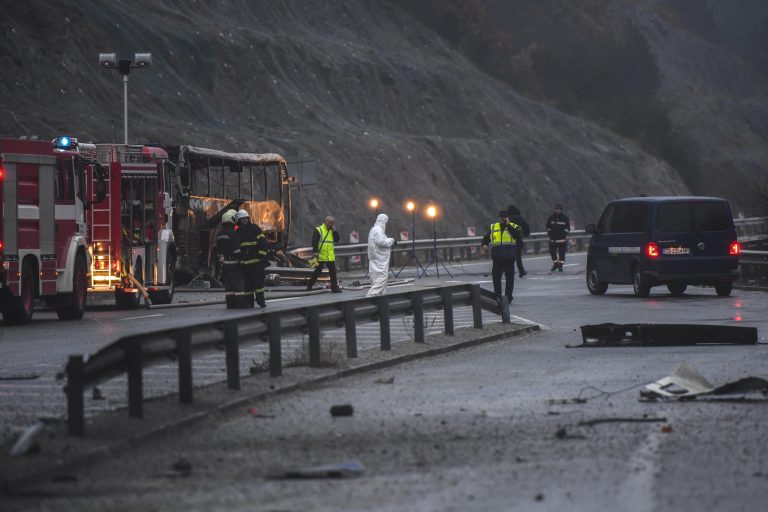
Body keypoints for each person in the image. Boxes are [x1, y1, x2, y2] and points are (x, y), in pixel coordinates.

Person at [482, 210, 522, 305]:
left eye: (504, 217)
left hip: (509, 257)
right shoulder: (494, 227)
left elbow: (517, 237)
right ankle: (497, 296)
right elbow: (486, 238)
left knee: (509, 279)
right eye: (501, 217)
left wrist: (508, 225)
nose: (503, 219)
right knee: (496, 278)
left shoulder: (514, 227)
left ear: (508, 218)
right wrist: (484, 244)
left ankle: (508, 297)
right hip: (497, 257)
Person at [216, 209, 252, 308]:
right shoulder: (233, 233)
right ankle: (241, 304)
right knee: (238, 284)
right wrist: (241, 259)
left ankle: (230, 304)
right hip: (234, 262)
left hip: (226, 263)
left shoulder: (219, 234)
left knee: (229, 285)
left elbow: (219, 251)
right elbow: (236, 249)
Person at [235, 209, 269, 308]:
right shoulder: (237, 232)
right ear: (239, 220)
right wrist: (239, 259)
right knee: (247, 284)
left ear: (248, 218)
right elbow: (237, 247)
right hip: (245, 263)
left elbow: (263, 242)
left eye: (245, 218)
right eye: (242, 219)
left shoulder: (255, 228)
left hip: (257, 262)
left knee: (258, 284)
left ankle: (261, 301)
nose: (244, 220)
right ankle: (249, 303)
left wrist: (261, 255)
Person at [307, 215, 341, 293]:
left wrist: (335, 231)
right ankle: (310, 285)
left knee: (333, 272)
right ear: (325, 222)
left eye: (332, 223)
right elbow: (314, 241)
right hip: (321, 255)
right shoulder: (318, 230)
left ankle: (334, 288)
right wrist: (315, 252)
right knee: (318, 271)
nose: (331, 224)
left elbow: (337, 240)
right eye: (330, 222)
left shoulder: (332, 231)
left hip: (330, 256)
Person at [366, 214, 396, 297]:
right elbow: (381, 242)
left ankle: (381, 297)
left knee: (375, 277)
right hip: (379, 258)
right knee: (382, 276)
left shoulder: (373, 229)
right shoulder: (378, 230)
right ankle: (371, 295)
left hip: (375, 257)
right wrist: (391, 240)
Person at [506, 204, 531, 278]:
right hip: (517, 240)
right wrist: (526, 233)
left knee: (509, 258)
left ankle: (508, 272)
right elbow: (525, 226)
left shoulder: (507, 219)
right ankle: (521, 271)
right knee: (518, 257)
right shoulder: (519, 218)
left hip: (507, 241)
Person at [546, 203, 570, 272]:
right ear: (555, 210)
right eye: (557, 209)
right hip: (553, 240)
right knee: (552, 253)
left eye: (559, 210)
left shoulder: (565, 218)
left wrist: (564, 234)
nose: (558, 211)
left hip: (561, 240)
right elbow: (548, 226)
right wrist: (549, 233)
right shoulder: (551, 217)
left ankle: (560, 266)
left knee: (562, 255)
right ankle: (556, 264)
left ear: (562, 210)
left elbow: (567, 228)